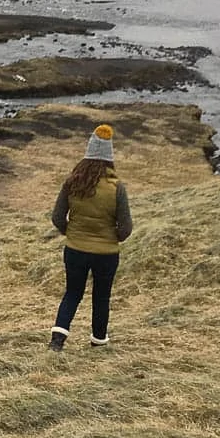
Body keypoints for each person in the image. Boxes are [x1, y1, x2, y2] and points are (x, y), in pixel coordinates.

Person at [48, 124, 133, 352]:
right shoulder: (117, 188)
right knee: (101, 297)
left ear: (87, 154)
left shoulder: (72, 182)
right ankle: (98, 340)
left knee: (72, 293)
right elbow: (126, 228)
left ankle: (57, 339)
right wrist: (110, 237)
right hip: (106, 254)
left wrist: (72, 232)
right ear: (109, 158)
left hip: (75, 250)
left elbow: (57, 217)